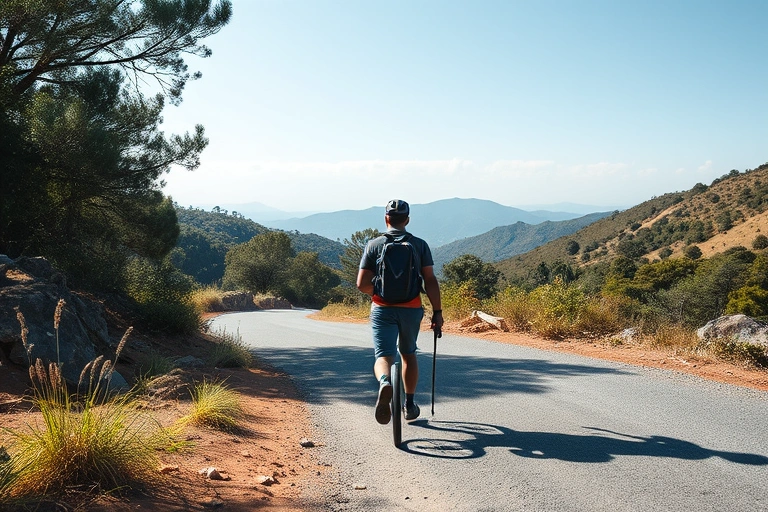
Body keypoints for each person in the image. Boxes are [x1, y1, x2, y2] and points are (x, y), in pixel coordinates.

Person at [357, 199, 443, 425]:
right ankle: (409, 404)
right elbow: (430, 280)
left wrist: (380, 293)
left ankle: (385, 381)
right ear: (407, 220)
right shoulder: (419, 245)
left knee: (383, 355)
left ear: (386, 218)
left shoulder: (374, 245)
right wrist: (437, 312)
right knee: (408, 354)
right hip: (411, 309)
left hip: (382, 309)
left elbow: (361, 284)